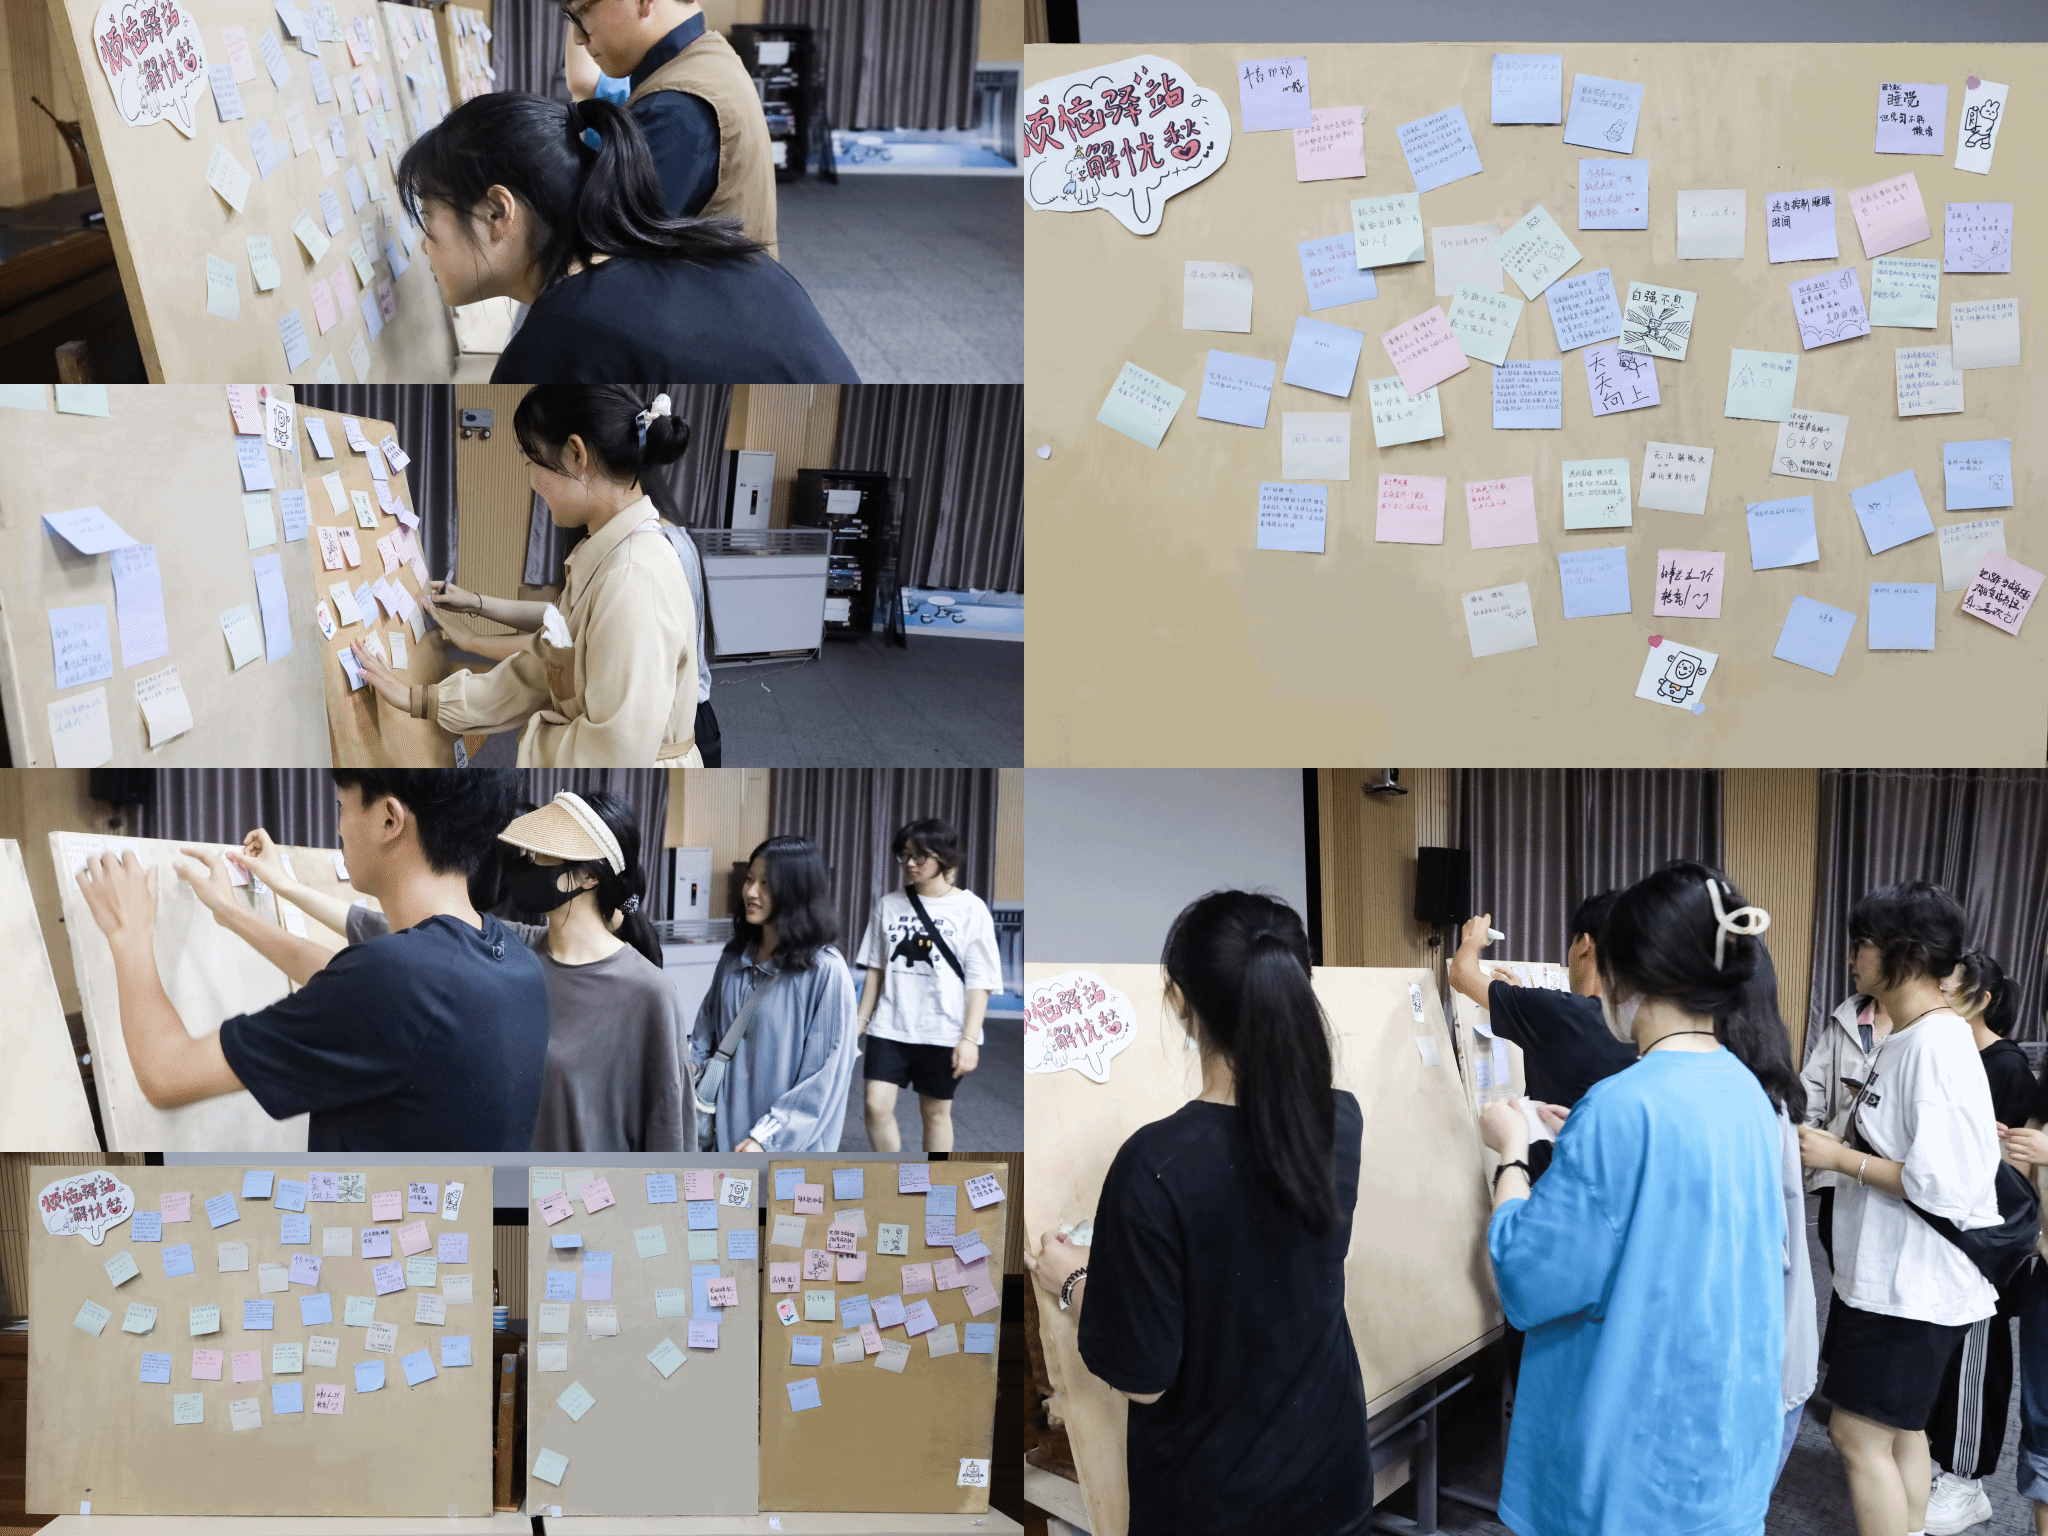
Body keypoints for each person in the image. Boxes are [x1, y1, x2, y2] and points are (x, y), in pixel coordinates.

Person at [1024, 891, 1369, 1536]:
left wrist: (1072, 1278)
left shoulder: (1154, 1165)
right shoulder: (1339, 1118)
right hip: (1333, 1469)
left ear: (1178, 999)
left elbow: (1145, 1378)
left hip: (1221, 1502)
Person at [1481, 861, 1793, 1536]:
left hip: (1632, 1460)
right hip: (1719, 1439)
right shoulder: (1742, 1087)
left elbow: (1528, 1281)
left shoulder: (1622, 1106)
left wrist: (1512, 1153)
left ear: (1626, 971)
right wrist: (1587, 1142)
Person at [70, 770, 548, 1151]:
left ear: (390, 820)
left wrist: (129, 935)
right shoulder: (515, 962)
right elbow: (352, 981)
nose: (338, 827)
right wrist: (232, 914)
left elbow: (166, 1073)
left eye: (342, 807)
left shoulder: (392, 980)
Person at [233, 790, 690, 1154]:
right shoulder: (512, 949)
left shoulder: (648, 995)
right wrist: (282, 884)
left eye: (541, 856)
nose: (524, 864)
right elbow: (371, 925)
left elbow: (669, 1135)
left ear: (589, 877)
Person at [396, 93, 855, 382]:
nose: (423, 244)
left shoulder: (561, 339)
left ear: (497, 213)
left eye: (429, 217)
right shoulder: (719, 253)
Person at [353, 387, 703, 766]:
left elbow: (615, 750)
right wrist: (418, 699)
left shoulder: (633, 577)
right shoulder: (609, 555)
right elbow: (532, 673)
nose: (533, 482)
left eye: (531, 462)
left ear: (576, 455)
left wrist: (540, 735)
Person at [1798, 882, 2001, 1536]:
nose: (1852, 958)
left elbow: (1943, 1183)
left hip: (1911, 1287)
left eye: (1862, 944)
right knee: (1903, 1430)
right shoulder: (1909, 1037)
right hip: (1892, 1278)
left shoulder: (1936, 1044)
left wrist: (1839, 1159)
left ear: (1905, 953)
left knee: (1857, 1435)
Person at [1923, 952, 2034, 1534]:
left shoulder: (2006, 1066)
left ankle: (1967, 1482)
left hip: (1986, 1245)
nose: (1937, 992)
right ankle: (1945, 1467)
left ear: (1980, 999)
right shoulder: (1945, 1052)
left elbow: (2017, 1172)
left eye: (1947, 986)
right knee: (1946, 1358)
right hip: (1949, 1233)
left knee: (1978, 1357)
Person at [558, 0, 777, 251]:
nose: (578, 38)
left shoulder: (674, 110)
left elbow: (601, 251)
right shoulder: (711, 53)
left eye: (584, 10)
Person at [689, 836, 858, 1152]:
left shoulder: (825, 971)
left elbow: (824, 1075)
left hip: (779, 1146)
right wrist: (688, 1069)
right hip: (719, 1134)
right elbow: (705, 1030)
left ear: (797, 892)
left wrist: (766, 1138)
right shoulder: (735, 954)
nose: (751, 892)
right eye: (749, 879)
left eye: (766, 884)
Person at [1449, 893, 1637, 1177]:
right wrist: (1520, 997)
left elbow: (1461, 974)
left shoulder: (1561, 1013)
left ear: (1585, 944)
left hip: (1546, 1185)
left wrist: (1472, 940)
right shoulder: (1641, 1025)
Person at [855, 818, 1003, 1154]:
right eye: (904, 855)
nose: (909, 863)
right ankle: (893, 1172)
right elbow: (877, 969)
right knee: (875, 1106)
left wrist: (969, 1039)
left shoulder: (970, 908)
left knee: (935, 1114)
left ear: (943, 857)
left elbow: (980, 981)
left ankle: (934, 1179)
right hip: (890, 1026)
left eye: (919, 856)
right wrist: (861, 1019)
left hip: (943, 1030)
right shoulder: (888, 905)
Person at [1995, 1019, 2048, 1536]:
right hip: (2045, 1278)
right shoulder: (2043, 1095)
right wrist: (2004, 1146)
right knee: (2041, 1424)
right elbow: (2023, 1187)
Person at [1801, 986, 1894, 1268]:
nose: (1852, 964)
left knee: (1875, 1260)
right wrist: (1806, 1134)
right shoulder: (1847, 1016)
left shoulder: (1917, 1025)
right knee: (1834, 1246)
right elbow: (1813, 1083)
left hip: (1887, 1170)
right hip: (1836, 1164)